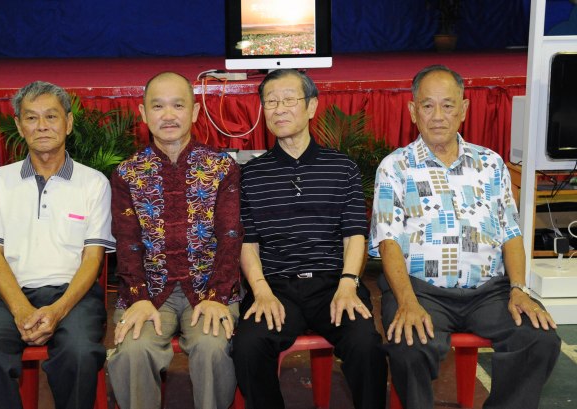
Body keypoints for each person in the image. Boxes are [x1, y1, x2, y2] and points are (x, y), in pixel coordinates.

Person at [369, 64, 561, 409]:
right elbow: (388, 241)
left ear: (464, 109)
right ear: (412, 111)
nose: (437, 116)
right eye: (427, 106)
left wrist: (519, 288)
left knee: (539, 338)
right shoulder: (395, 167)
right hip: (421, 290)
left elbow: (511, 233)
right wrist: (407, 301)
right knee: (408, 345)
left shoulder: (491, 164)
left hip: (489, 291)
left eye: (448, 105)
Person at [232, 69, 388, 409]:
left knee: (366, 345)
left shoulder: (342, 167)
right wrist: (261, 290)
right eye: (271, 102)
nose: (279, 109)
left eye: (289, 100)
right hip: (276, 286)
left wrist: (348, 283)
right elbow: (248, 242)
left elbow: (354, 234)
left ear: (312, 106)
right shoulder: (250, 175)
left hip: (333, 283)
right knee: (248, 346)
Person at [0, 81, 116, 409]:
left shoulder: (93, 183)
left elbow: (93, 258)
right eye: (31, 118)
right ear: (19, 126)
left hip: (74, 296)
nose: (42, 126)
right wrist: (21, 310)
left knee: (79, 353)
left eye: (51, 116)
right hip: (13, 296)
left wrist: (57, 311)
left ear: (68, 123)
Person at [108, 71, 243, 409]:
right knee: (134, 349)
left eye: (178, 105)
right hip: (150, 292)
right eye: (158, 106)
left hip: (210, 288)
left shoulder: (220, 167)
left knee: (212, 347)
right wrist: (138, 297)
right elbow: (127, 242)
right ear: (143, 113)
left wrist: (217, 296)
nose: (168, 115)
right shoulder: (128, 173)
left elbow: (230, 236)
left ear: (195, 112)